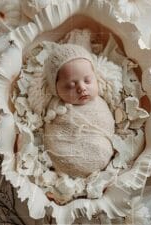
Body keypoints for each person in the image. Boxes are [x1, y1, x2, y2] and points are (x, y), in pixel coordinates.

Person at [43, 43, 115, 178]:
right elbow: (54, 134)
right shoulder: (57, 108)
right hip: (66, 154)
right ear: (55, 89)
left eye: (87, 80)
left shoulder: (100, 101)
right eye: (70, 85)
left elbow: (108, 123)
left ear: (96, 77)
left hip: (101, 150)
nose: (81, 88)